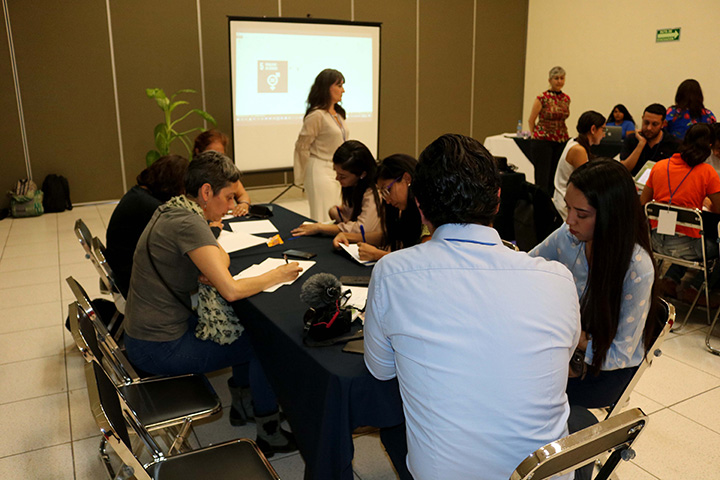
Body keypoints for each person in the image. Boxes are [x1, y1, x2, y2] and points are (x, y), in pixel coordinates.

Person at [364, 134, 580, 480]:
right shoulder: (557, 279)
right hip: (542, 473)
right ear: (497, 199)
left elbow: (381, 370)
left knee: (396, 427)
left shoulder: (392, 273)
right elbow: (559, 359)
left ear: (420, 207)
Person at [123, 151, 302, 456]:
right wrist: (277, 274)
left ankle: (245, 406)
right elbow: (230, 290)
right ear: (206, 192)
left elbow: (222, 256)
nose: (232, 206)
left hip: (144, 335)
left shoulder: (173, 209)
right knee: (264, 342)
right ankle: (268, 432)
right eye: (229, 197)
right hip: (158, 347)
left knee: (244, 326)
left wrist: (215, 265)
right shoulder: (188, 223)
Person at [532, 159, 658, 408]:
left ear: (612, 216)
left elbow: (620, 354)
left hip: (605, 369)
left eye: (581, 214)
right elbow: (527, 267)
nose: (570, 220)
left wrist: (576, 338)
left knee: (527, 383)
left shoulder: (636, 268)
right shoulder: (569, 236)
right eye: (568, 208)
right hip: (570, 349)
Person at [640, 123, 720, 304]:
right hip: (689, 247)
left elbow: (643, 204)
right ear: (709, 146)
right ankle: (697, 289)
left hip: (656, 242)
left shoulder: (659, 166)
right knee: (708, 242)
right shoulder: (707, 172)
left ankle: (670, 280)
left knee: (684, 235)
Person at [105, 155, 189, 298]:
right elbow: (183, 238)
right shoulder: (150, 207)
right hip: (135, 282)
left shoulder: (138, 194)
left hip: (125, 270)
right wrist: (213, 229)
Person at [332, 154, 430, 261]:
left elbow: (424, 259)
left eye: (388, 190)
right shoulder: (408, 210)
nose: (387, 200)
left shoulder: (428, 212)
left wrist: (378, 255)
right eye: (383, 193)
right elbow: (390, 236)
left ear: (407, 179)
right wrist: (348, 236)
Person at [291, 140, 381, 237]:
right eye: (336, 172)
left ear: (362, 174)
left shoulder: (373, 192)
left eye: (342, 176)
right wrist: (338, 213)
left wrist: (320, 227)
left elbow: (361, 230)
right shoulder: (354, 185)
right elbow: (351, 217)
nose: (337, 178)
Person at [294, 68, 348, 222]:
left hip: (337, 170)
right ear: (327, 88)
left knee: (337, 215)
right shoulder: (317, 115)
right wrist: (302, 176)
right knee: (323, 216)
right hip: (320, 169)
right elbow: (302, 147)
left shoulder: (338, 114)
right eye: (339, 86)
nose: (343, 90)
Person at [552, 110, 606, 220]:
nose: (604, 135)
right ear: (593, 129)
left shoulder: (573, 142)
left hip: (566, 200)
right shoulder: (578, 150)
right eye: (603, 129)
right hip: (566, 205)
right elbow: (588, 183)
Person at [527, 66, 571, 195]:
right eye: (556, 78)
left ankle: (553, 201)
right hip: (543, 140)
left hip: (561, 140)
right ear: (550, 80)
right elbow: (531, 120)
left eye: (562, 78)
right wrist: (535, 135)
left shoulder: (566, 99)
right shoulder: (542, 98)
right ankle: (540, 202)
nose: (559, 81)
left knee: (556, 175)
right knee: (542, 176)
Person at [193, 129, 251, 217]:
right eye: (211, 154)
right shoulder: (192, 175)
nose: (216, 159)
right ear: (198, 152)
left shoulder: (226, 173)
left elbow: (242, 195)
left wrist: (243, 204)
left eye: (220, 155)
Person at [619, 103, 679, 176]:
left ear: (663, 124)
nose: (649, 128)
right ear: (642, 118)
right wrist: (641, 144)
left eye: (654, 124)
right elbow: (624, 170)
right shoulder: (631, 139)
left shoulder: (674, 143)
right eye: (646, 122)